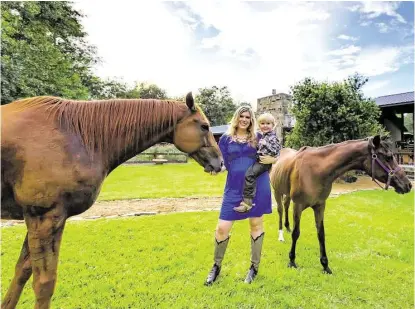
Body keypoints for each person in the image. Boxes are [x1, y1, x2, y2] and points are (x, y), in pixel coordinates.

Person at [205, 106, 277, 285]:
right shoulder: (226, 139)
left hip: (257, 187)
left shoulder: (258, 137)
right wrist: (216, 170)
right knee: (222, 228)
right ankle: (216, 266)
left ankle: (254, 267)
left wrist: (275, 159)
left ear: (251, 120)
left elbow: (273, 152)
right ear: (236, 118)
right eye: (241, 116)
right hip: (234, 188)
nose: (244, 119)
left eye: (248, 117)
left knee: (255, 224)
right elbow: (224, 164)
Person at [233, 113, 281, 213]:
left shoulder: (272, 137)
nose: (265, 126)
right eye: (262, 123)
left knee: (250, 175)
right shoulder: (264, 136)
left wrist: (271, 155)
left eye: (268, 123)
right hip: (260, 160)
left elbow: (276, 150)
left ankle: (247, 203)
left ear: (273, 125)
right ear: (259, 125)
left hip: (264, 163)